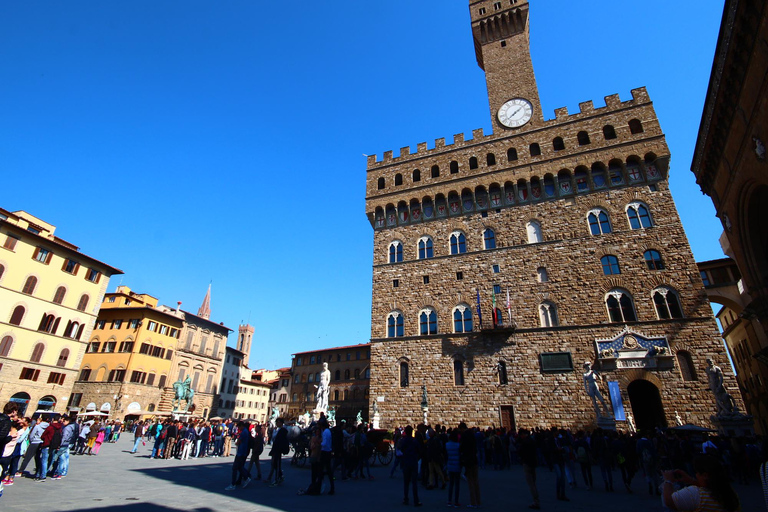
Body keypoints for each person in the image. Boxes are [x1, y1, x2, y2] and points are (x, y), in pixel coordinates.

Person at [662, 454, 740, 511]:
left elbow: (669, 502)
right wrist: (691, 480)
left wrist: (668, 481)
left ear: (705, 475)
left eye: (697, 472)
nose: (696, 475)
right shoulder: (730, 494)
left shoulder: (697, 495)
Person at [225, 421, 252, 490]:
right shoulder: (246, 431)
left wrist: (237, 442)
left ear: (242, 426)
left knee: (235, 468)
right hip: (244, 451)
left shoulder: (243, 432)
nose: (238, 428)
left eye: (239, 427)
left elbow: (238, 442)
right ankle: (247, 477)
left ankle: (233, 484)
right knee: (240, 467)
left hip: (241, 452)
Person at [459, 423, 481, 508]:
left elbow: (462, 448)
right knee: (476, 481)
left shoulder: (464, 436)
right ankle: (478, 501)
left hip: (468, 461)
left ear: (462, 429)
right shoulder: (472, 434)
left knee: (470, 482)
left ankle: (473, 502)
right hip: (474, 460)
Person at [399, 425, 421, 506]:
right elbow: (419, 450)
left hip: (406, 462)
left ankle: (406, 499)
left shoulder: (404, 441)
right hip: (413, 462)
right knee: (414, 482)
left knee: (406, 482)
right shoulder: (414, 441)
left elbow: (401, 449)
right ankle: (416, 500)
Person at [268, 418, 289, 486]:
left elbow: (280, 441)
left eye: (278, 422)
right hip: (276, 448)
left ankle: (277, 479)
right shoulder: (277, 430)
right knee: (275, 464)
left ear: (281, 423)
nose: (277, 423)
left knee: (277, 464)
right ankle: (280, 476)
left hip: (278, 449)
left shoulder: (282, 430)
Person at [318, 419, 335, 495]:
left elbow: (324, 443)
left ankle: (319, 486)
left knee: (322, 469)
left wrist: (319, 443)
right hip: (328, 452)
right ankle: (331, 487)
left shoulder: (325, 432)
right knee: (328, 470)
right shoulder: (328, 431)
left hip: (325, 452)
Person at [445, 429, 461, 507]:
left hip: (450, 466)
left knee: (451, 484)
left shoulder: (447, 445)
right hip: (457, 466)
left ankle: (449, 501)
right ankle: (456, 502)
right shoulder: (458, 445)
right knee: (457, 484)